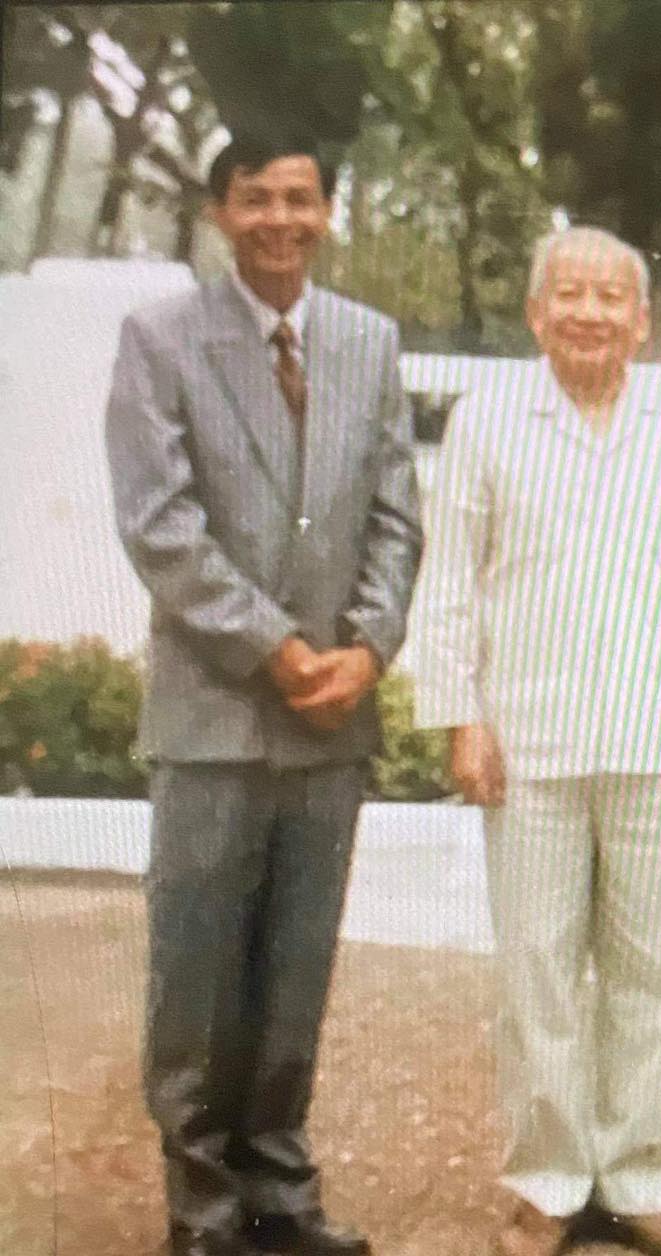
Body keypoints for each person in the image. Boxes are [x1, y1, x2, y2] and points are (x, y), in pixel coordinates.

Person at [411, 226, 661, 1256]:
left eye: (612, 297)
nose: (590, 313)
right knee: (540, 972)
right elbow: (450, 578)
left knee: (649, 974)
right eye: (569, 293)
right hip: (529, 740)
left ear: (643, 320)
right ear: (536, 312)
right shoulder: (486, 418)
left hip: (656, 731)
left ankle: (640, 1176)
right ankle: (550, 1180)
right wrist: (461, 714)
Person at [104, 133, 424, 1256]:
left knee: (294, 974)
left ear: (329, 211)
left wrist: (368, 649)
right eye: (255, 199)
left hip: (332, 724)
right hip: (216, 718)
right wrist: (278, 649)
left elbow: (396, 517)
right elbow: (161, 526)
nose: (279, 219)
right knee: (197, 979)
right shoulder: (160, 340)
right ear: (219, 212)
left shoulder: (368, 343)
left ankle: (281, 1197)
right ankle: (202, 1209)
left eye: (300, 198)